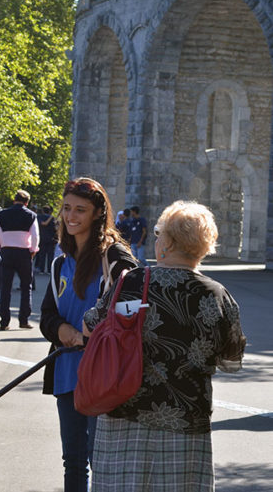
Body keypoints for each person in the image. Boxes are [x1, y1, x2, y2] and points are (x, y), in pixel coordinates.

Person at [84, 201, 245, 491]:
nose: (157, 239)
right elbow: (231, 358)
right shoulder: (217, 295)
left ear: (168, 244)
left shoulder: (132, 282)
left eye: (159, 234)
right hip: (187, 421)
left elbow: (91, 325)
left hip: (125, 414)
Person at [39, 178, 137, 492]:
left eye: (80, 210)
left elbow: (133, 303)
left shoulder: (114, 255)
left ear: (97, 213)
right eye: (67, 208)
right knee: (74, 461)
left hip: (104, 375)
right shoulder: (59, 264)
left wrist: (93, 331)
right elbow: (46, 317)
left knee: (103, 460)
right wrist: (62, 330)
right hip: (67, 373)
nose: (71, 216)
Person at [0, 190, 40, 330]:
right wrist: (33, 250)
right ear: (27, 202)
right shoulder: (31, 215)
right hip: (24, 253)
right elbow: (35, 235)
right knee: (26, 287)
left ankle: (4, 321)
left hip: (7, 252)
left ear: (14, 200)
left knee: (5, 288)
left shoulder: (2, 215)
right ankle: (23, 319)